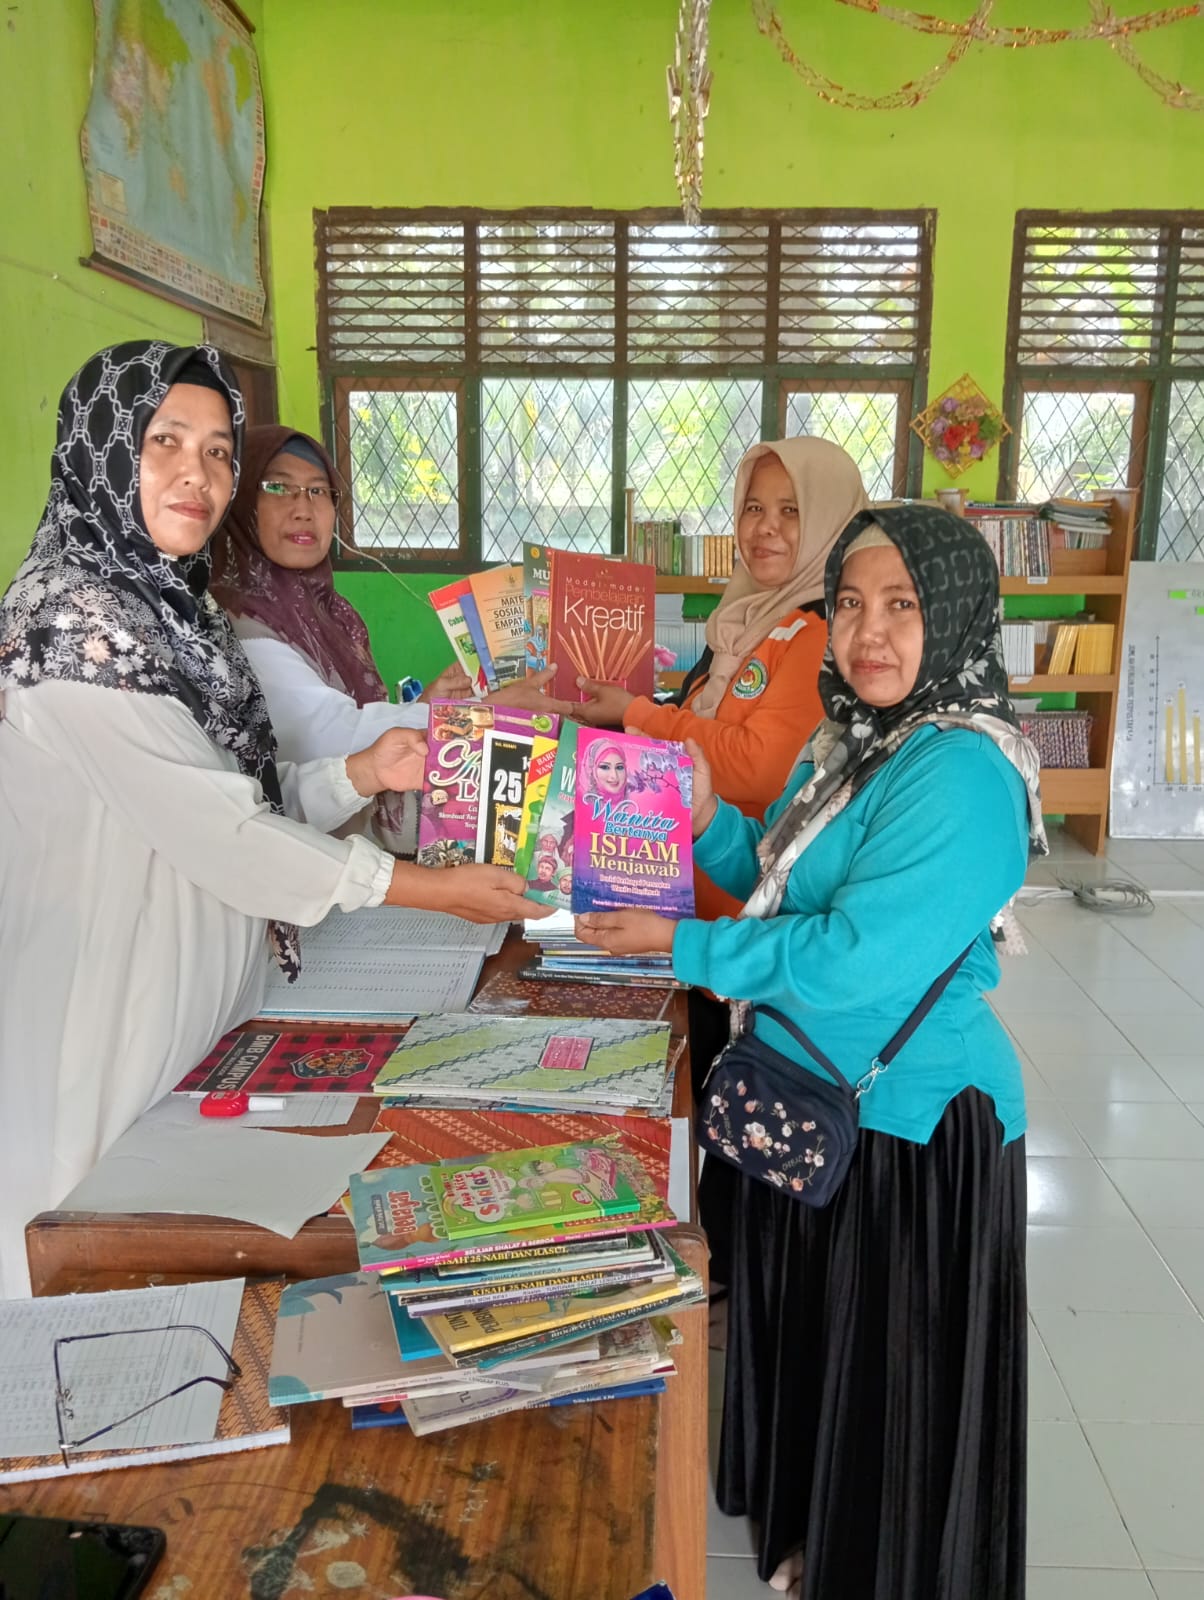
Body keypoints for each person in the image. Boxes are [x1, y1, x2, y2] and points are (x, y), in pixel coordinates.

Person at [0, 342, 546, 1299]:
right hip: (103, 1010)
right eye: (165, 441)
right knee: (89, 1253)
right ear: (101, 448)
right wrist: (430, 890)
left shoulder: (177, 614)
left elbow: (238, 790)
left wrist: (358, 773)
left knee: (188, 1265)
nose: (198, 473)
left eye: (217, 451)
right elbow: (224, 836)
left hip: (198, 1009)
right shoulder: (72, 623)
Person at [576, 504, 1045, 1599]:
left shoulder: (963, 773)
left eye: (902, 606)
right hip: (815, 1097)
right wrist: (704, 818)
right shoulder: (856, 741)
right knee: (827, 1344)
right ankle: (814, 1535)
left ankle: (873, 1565)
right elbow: (780, 877)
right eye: (850, 604)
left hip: (910, 1131)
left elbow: (854, 958)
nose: (868, 633)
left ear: (956, 617)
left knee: (887, 1369)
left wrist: (681, 946)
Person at [209, 424, 574, 849]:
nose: (303, 508)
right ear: (238, 500)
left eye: (319, 491)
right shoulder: (242, 624)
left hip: (359, 844)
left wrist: (427, 707)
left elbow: (354, 721)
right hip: (316, 857)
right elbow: (328, 737)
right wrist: (485, 711)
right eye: (277, 487)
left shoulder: (327, 610)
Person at [575, 436, 868, 917]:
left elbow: (760, 769)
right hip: (674, 892)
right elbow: (692, 717)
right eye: (753, 508)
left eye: (791, 510)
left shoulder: (825, 632)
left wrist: (638, 713)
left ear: (831, 520)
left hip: (740, 919)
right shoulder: (741, 620)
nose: (765, 527)